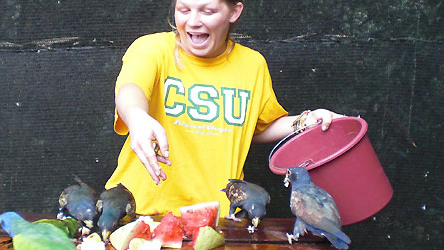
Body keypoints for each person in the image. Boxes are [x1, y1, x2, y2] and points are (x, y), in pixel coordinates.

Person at [105, 0, 343, 217]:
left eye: (208, 11)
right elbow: (130, 90)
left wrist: (305, 121)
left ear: (234, 12)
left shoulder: (253, 65)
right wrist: (137, 118)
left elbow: (256, 127)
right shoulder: (152, 48)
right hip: (139, 211)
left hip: (218, 217)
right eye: (184, 10)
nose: (193, 21)